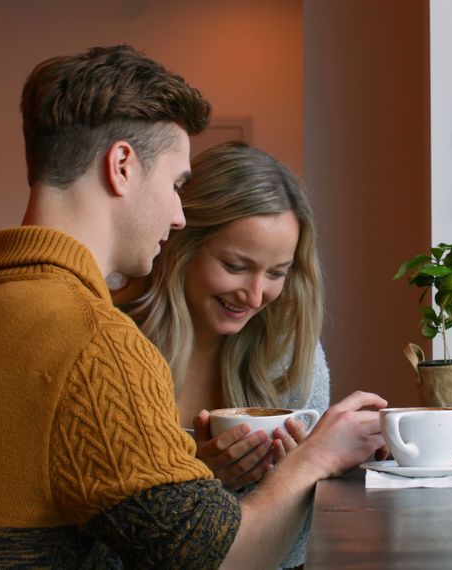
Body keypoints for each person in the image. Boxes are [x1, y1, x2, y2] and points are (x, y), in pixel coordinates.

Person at [0, 45, 386, 568]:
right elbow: (220, 561)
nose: (178, 215)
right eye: (175, 184)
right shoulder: (98, 344)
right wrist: (315, 458)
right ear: (122, 166)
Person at [116, 141, 331, 568]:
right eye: (234, 266)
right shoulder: (113, 340)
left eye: (276, 273)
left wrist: (301, 468)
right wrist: (195, 476)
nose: (254, 296)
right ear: (181, 244)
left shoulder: (286, 350)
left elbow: (299, 535)